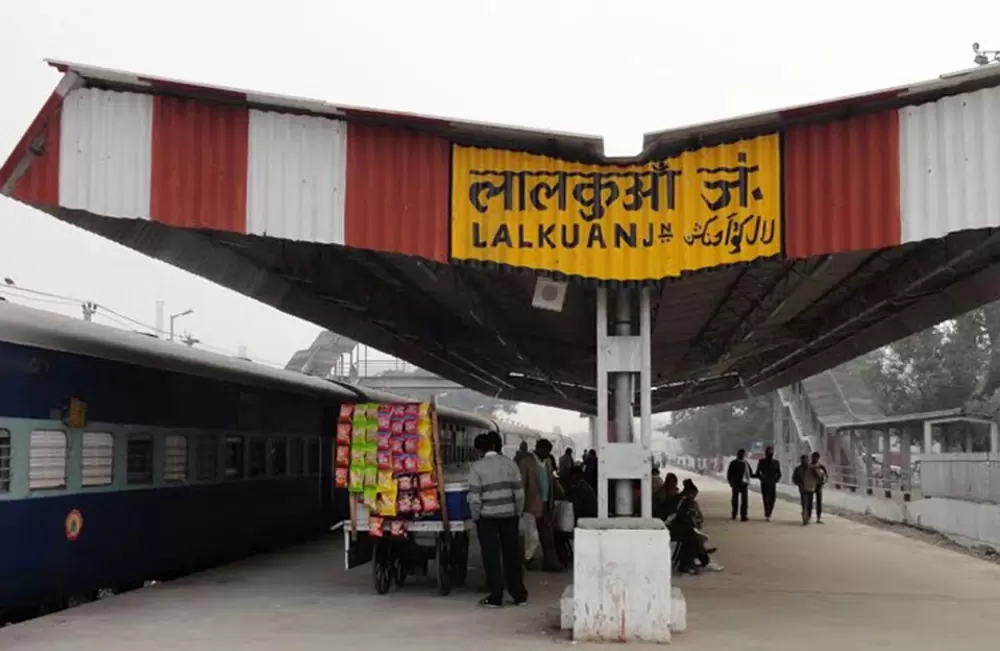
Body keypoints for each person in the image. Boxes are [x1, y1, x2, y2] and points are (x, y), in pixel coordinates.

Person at [468, 433, 528, 608]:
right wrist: (517, 512)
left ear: (479, 450)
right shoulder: (511, 465)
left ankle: (496, 596)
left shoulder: (477, 468)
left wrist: (476, 516)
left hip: (487, 519)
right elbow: (519, 494)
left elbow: (475, 498)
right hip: (509, 516)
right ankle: (519, 594)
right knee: (512, 554)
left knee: (491, 556)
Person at [517, 438, 563, 571]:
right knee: (531, 537)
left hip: (545, 505)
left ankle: (551, 563)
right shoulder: (526, 463)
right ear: (538, 449)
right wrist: (521, 506)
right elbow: (521, 485)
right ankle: (527, 561)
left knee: (547, 536)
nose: (548, 454)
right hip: (530, 506)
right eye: (546, 451)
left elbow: (551, 481)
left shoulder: (548, 462)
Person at [672, 480, 723, 574]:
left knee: (693, 536)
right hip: (675, 529)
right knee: (692, 538)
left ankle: (700, 558)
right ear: (689, 492)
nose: (694, 497)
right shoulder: (682, 501)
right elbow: (678, 517)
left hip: (679, 528)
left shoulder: (683, 500)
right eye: (693, 495)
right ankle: (699, 560)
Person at [754, 446, 782, 522]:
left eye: (771, 452)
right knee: (766, 498)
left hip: (772, 483)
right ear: (766, 453)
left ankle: (769, 512)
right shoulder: (761, 461)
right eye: (769, 451)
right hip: (764, 483)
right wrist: (761, 478)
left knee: (773, 499)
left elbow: (779, 473)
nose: (770, 453)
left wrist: (777, 479)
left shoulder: (776, 462)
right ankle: (767, 514)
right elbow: (757, 473)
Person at [726, 449, 753, 521]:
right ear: (738, 455)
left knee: (744, 500)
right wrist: (731, 483)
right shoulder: (733, 463)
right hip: (736, 483)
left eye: (743, 454)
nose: (742, 456)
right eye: (741, 454)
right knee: (735, 500)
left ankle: (743, 515)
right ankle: (734, 513)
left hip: (744, 484)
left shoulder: (746, 463)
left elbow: (750, 473)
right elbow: (729, 474)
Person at [792, 454, 818, 526]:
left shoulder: (812, 468)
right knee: (804, 503)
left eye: (807, 460)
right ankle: (805, 517)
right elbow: (794, 478)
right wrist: (799, 484)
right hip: (803, 488)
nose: (806, 461)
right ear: (801, 461)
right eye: (804, 460)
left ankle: (808, 516)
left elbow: (817, 477)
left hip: (810, 488)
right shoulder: (798, 469)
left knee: (809, 503)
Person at [810, 452, 829, 524]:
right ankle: (809, 516)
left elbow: (826, 475)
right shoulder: (809, 466)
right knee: (810, 501)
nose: (813, 458)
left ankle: (818, 518)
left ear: (818, 458)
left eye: (815, 457)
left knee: (818, 502)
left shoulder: (820, 466)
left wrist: (824, 482)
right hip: (811, 485)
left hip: (818, 486)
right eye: (813, 457)